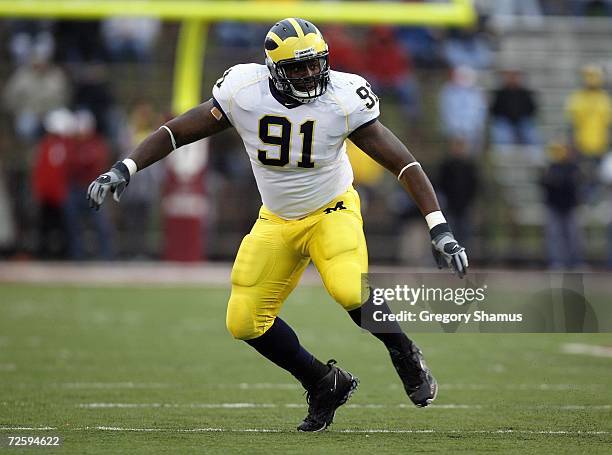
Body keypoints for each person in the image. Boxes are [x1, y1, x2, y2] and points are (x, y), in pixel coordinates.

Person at [87, 18, 468, 432]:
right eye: (297, 67)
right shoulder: (243, 91)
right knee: (244, 321)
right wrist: (126, 166)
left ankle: (403, 351)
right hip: (277, 218)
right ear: (273, 68)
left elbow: (403, 162)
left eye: (314, 64)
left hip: (331, 210)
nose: (308, 74)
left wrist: (439, 227)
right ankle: (324, 383)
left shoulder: (344, 96)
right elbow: (179, 131)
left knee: (346, 286)